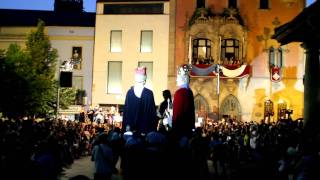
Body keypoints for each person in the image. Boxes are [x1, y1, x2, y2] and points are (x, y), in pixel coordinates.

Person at [122, 66, 157, 135]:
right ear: (145, 77)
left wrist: (125, 129)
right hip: (145, 132)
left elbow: (126, 113)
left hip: (130, 132)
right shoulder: (149, 93)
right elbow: (152, 115)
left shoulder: (129, 93)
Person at [172, 64, 195, 139]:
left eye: (178, 78)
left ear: (183, 79)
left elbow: (177, 114)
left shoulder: (179, 92)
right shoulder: (190, 92)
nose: (176, 80)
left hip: (180, 131)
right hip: (188, 130)